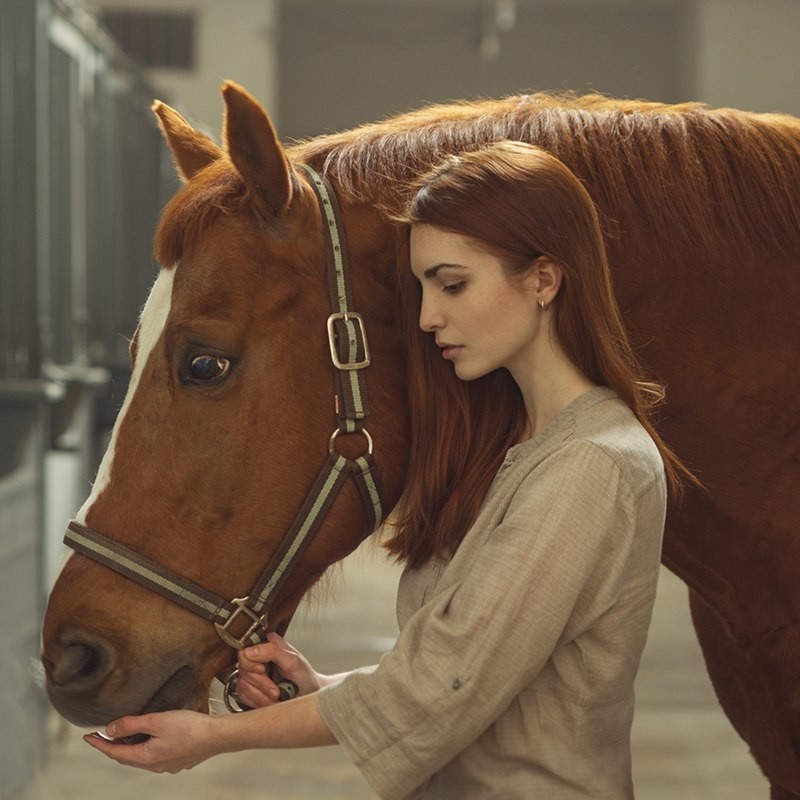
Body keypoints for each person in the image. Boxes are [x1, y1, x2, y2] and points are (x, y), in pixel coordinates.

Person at [84, 141, 693, 798]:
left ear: (544, 280)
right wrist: (318, 689)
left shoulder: (591, 466)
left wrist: (212, 738)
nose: (430, 316)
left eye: (453, 284)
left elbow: (437, 690)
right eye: (424, 285)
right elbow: (471, 665)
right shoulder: (517, 447)